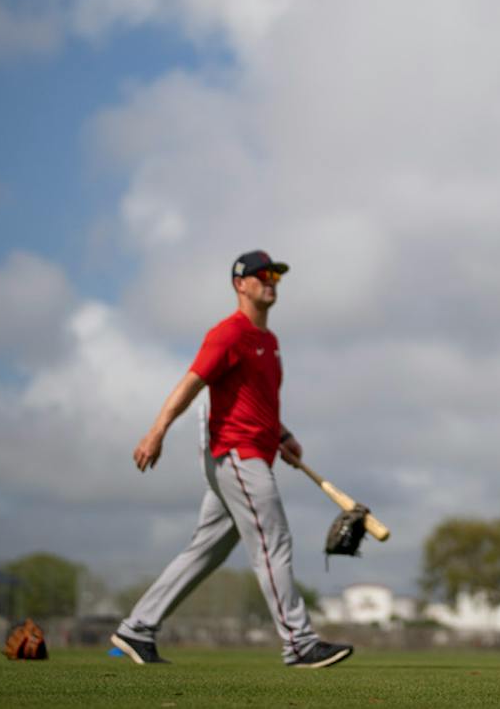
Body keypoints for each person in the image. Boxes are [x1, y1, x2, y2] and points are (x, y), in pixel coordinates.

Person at [111, 250, 353, 669]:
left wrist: (283, 434)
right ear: (240, 284)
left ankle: (137, 628)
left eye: (276, 274)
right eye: (262, 275)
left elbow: (255, 402)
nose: (272, 280)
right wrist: (157, 431)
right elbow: (190, 384)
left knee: (206, 551)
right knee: (273, 541)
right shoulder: (228, 334)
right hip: (235, 454)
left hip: (255, 452)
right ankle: (298, 642)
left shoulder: (269, 342)